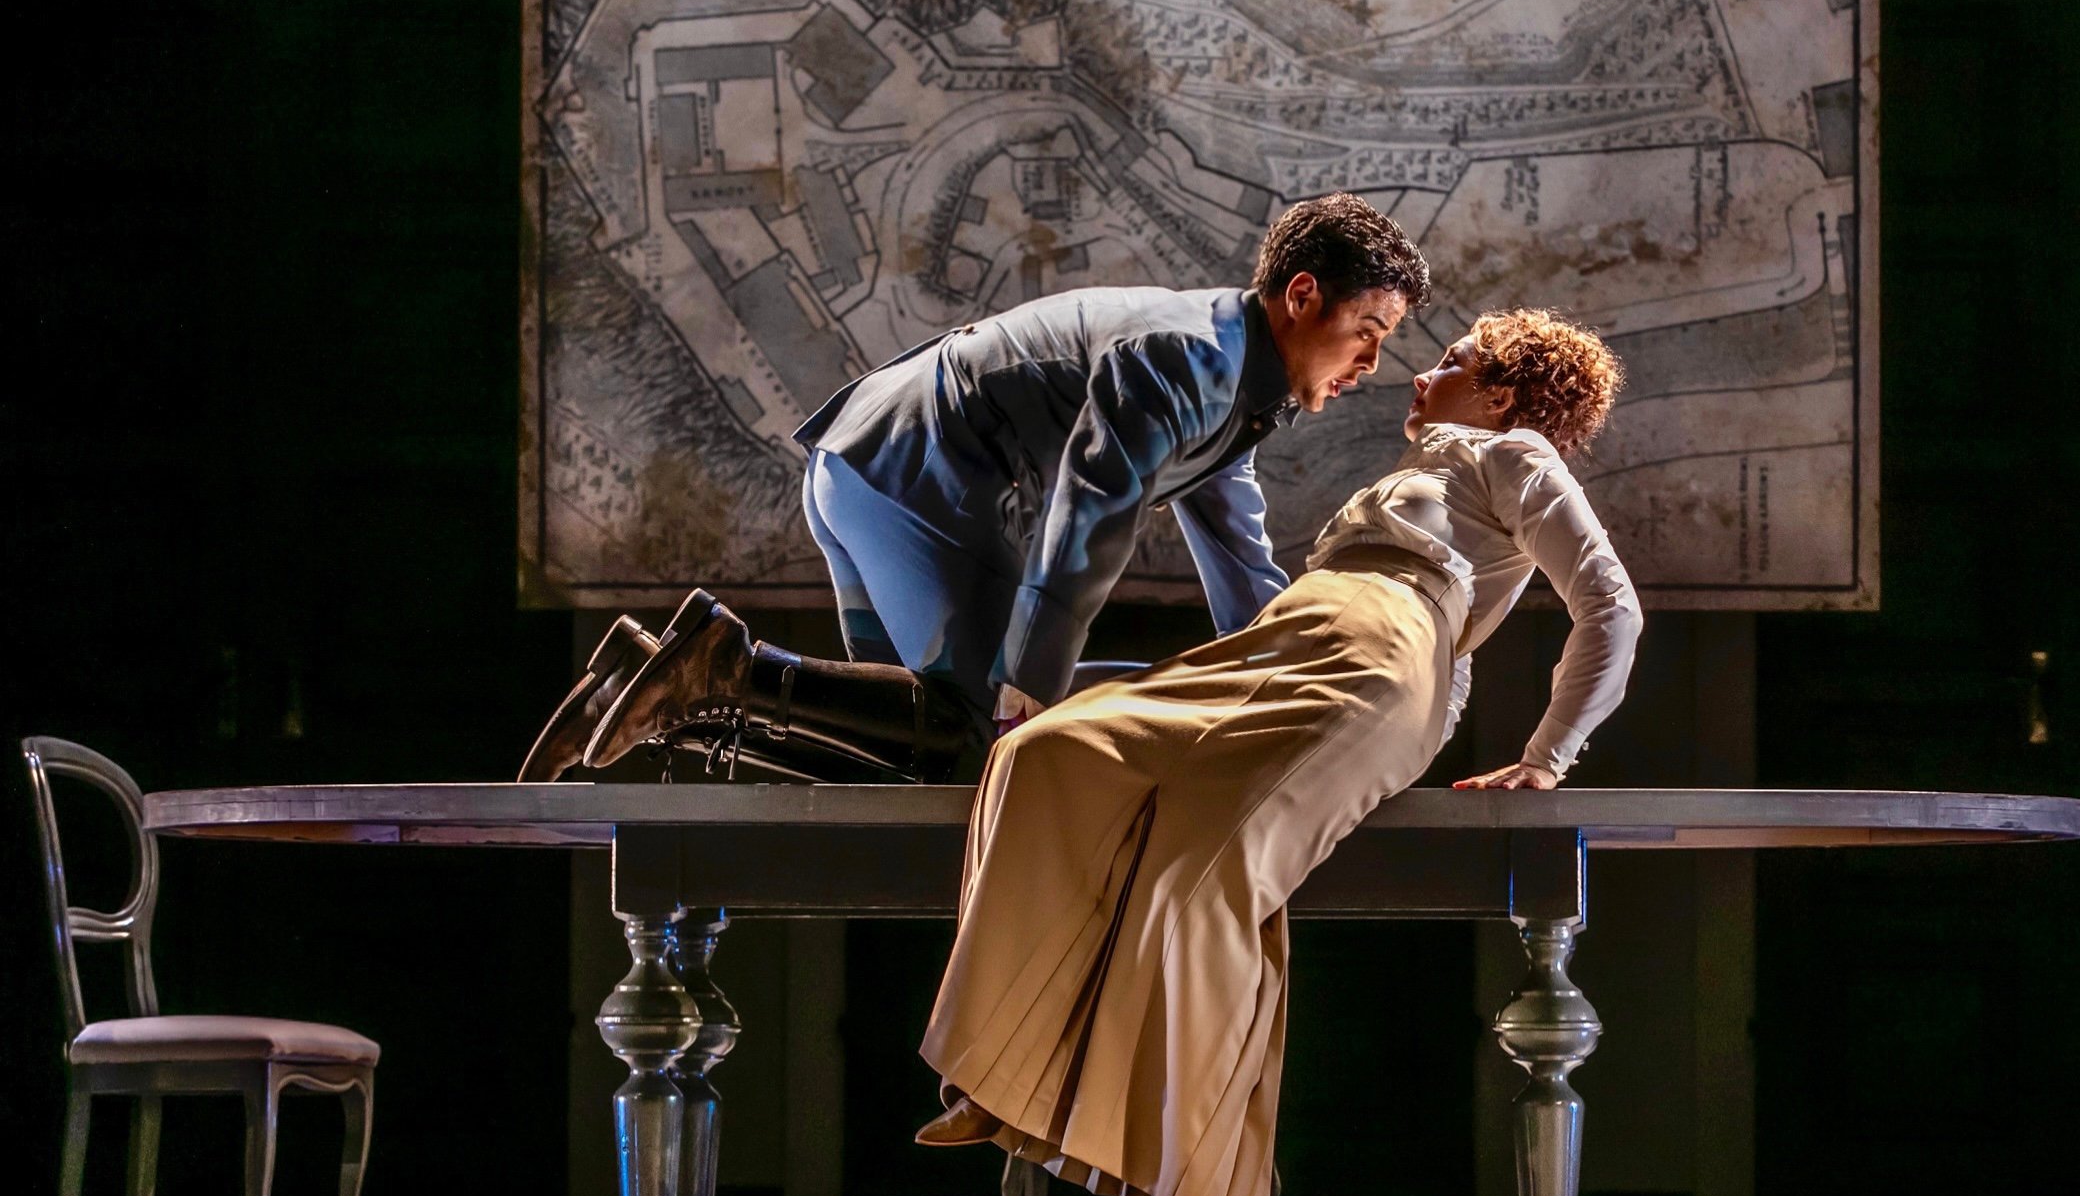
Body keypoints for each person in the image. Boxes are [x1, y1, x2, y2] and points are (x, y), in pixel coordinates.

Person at [912, 308, 1644, 1196]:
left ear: (1505, 393)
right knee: (1043, 756)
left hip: (1381, 658)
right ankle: (1003, 1077)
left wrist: (1547, 756)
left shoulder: (1509, 452)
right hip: (1285, 639)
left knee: (1207, 888)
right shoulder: (1424, 468)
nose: (1423, 371)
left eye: (1455, 360)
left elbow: (1608, 601)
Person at [518, 191, 1431, 782]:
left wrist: (1298, 674)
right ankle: (720, 662)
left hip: (873, 463)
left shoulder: (1237, 394)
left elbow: (1242, 568)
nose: (1373, 361)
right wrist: (1031, 684)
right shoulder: (1192, 359)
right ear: (1304, 294)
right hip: (914, 475)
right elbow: (1091, 512)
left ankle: (647, 680)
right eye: (1369, 328)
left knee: (888, 751)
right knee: (974, 743)